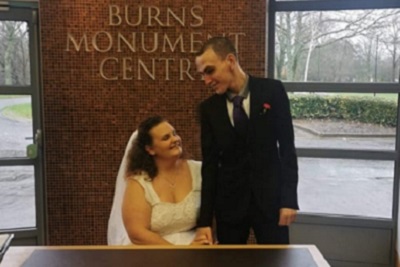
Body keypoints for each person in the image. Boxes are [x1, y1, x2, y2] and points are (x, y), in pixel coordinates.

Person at [194, 37, 299, 245]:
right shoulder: (209, 109)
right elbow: (210, 166)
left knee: (277, 262)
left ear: (230, 61)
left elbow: (287, 149)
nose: (206, 80)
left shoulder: (273, 91)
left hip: (271, 203)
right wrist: (204, 221)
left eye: (209, 71)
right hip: (230, 208)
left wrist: (289, 200)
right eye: (202, 74)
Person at [107, 115, 207, 245]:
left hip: (195, 247)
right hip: (154, 252)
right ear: (150, 149)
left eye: (174, 134)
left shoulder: (199, 171)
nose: (175, 139)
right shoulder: (139, 183)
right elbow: (137, 233)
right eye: (166, 138)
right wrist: (179, 254)